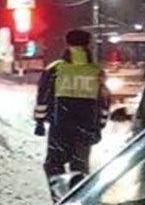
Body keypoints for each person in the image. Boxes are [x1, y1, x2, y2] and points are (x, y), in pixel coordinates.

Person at [34, 28, 106, 187]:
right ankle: (76, 200)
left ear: (67, 44)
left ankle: (59, 198)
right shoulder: (96, 71)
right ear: (89, 45)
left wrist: (39, 122)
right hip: (85, 127)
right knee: (79, 167)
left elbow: (43, 97)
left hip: (60, 127)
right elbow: (104, 102)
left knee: (53, 165)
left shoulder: (55, 69)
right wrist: (99, 127)